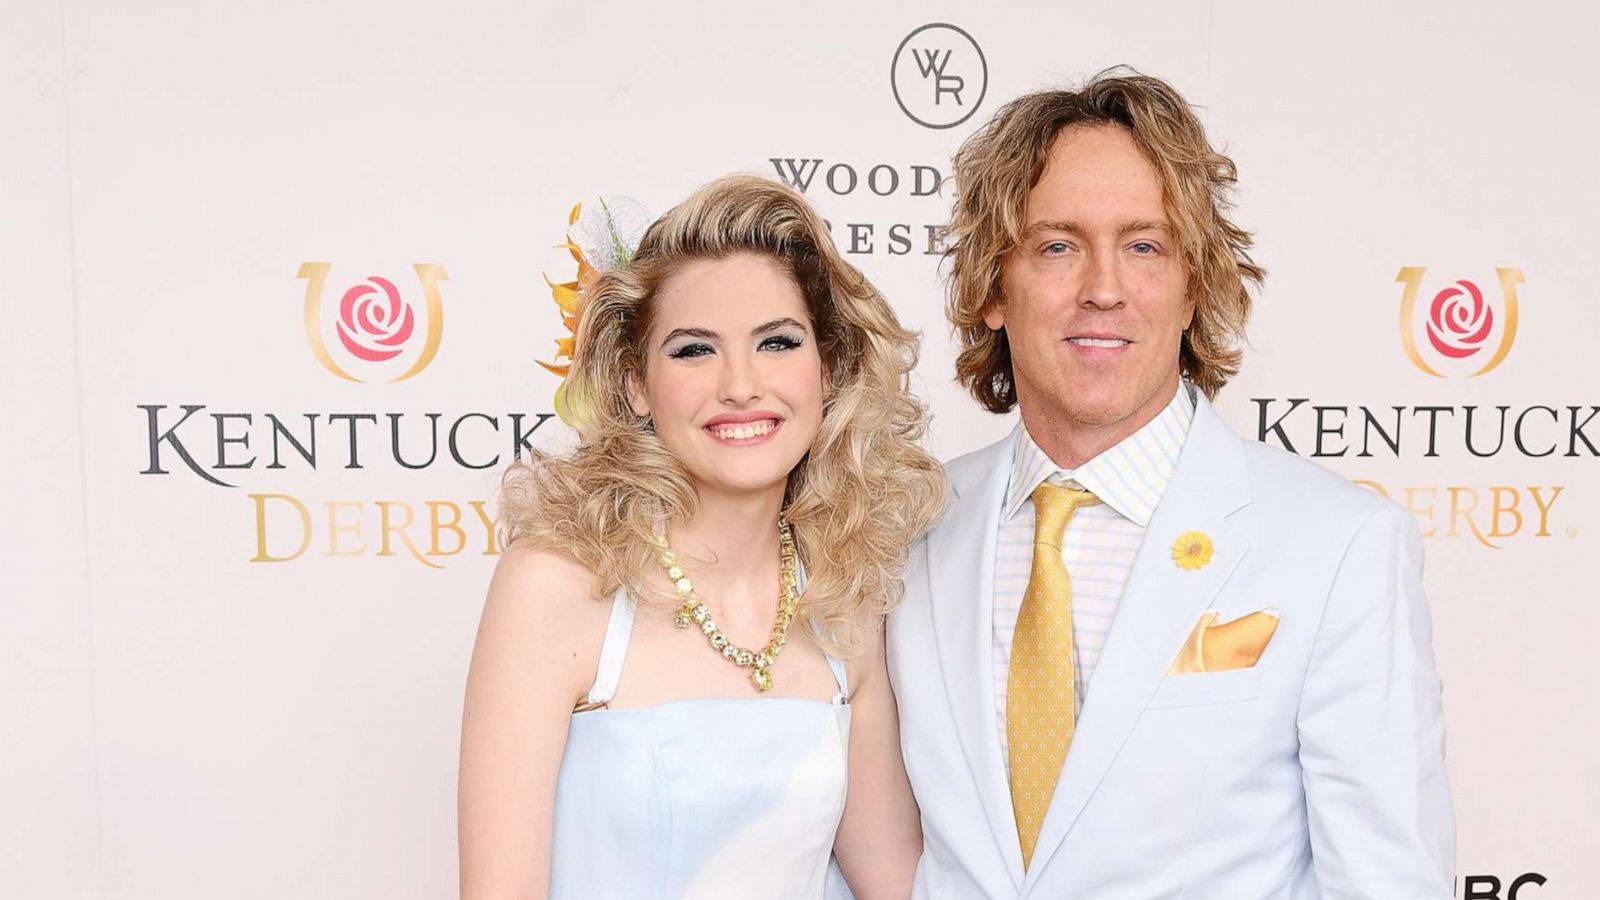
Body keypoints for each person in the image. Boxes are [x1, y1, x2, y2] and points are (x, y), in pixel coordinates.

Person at [886, 70, 1455, 898]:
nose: (1104, 288)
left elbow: (1387, 882)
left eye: (1145, 246)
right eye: (1057, 245)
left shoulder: (1340, 546)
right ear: (991, 288)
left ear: (1195, 289)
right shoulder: (903, 532)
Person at [458, 174, 945, 899]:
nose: (741, 385)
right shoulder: (556, 587)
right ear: (635, 385)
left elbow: (898, 883)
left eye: (777, 342)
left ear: (831, 367)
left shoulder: (846, 598)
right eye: (694, 351)